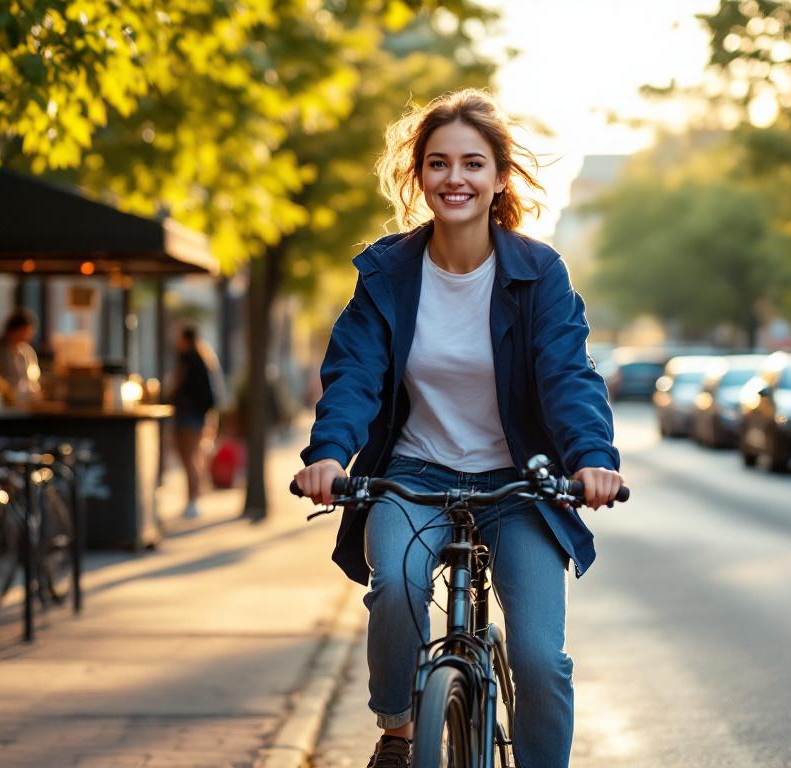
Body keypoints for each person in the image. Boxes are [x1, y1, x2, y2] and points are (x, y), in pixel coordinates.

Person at [292, 89, 624, 768]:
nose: (455, 179)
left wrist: (591, 457)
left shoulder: (539, 273)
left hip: (519, 482)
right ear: (420, 177)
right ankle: (396, 729)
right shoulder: (387, 271)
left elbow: (567, 375)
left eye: (472, 164)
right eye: (439, 163)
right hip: (413, 472)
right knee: (398, 585)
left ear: (499, 177)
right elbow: (355, 372)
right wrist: (328, 455)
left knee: (539, 657)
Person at [167, 325, 219, 518]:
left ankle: (192, 501)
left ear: (185, 339)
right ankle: (192, 499)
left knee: (190, 458)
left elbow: (176, 386)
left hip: (189, 415)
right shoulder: (203, 359)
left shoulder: (188, 359)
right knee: (192, 458)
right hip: (196, 415)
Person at [0, 308, 42, 405]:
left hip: (25, 401)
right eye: (26, 331)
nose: (29, 336)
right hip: (1, 400)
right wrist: (8, 391)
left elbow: (33, 377)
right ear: (15, 330)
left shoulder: (27, 351)